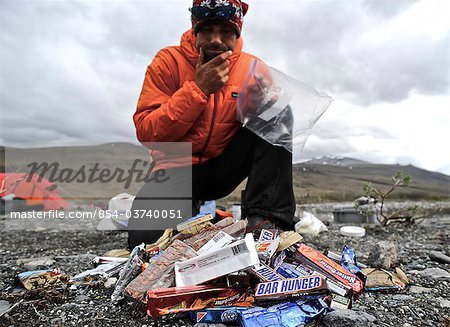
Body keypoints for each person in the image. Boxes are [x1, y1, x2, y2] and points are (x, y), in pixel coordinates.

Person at [128, 0, 296, 249]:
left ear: (237, 32)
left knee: (278, 113)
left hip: (224, 166)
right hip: (176, 168)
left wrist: (267, 103)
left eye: (226, 31)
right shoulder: (168, 61)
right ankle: (199, 213)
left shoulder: (252, 68)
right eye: (207, 29)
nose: (216, 39)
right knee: (145, 244)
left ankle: (266, 220)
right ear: (195, 30)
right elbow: (147, 131)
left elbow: (268, 127)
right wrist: (198, 89)